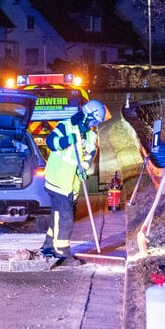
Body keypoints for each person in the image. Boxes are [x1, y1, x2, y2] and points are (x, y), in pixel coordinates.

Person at [40, 99, 107, 264]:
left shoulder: (91, 135)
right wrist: (66, 141)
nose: (93, 124)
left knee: (59, 216)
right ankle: (62, 252)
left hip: (71, 184)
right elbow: (51, 143)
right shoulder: (66, 126)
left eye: (96, 122)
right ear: (85, 115)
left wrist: (83, 167)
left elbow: (90, 154)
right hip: (58, 180)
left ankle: (48, 246)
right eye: (92, 120)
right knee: (65, 217)